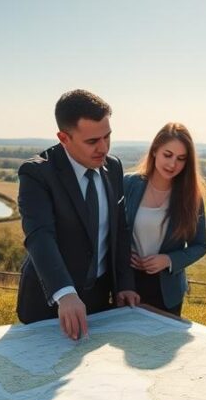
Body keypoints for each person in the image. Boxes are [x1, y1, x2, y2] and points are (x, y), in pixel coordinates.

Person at [15, 89, 139, 338]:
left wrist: (124, 284)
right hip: (48, 305)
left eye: (107, 137)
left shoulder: (113, 167)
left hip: (100, 304)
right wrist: (65, 293)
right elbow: (40, 236)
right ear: (64, 137)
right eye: (92, 141)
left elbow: (119, 230)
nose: (103, 148)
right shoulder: (36, 174)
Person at [123, 123, 206, 317]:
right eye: (167, 155)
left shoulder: (191, 196)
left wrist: (168, 260)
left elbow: (200, 245)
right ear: (154, 151)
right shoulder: (128, 184)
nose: (172, 164)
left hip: (167, 290)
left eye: (181, 159)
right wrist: (123, 254)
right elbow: (111, 230)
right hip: (127, 284)